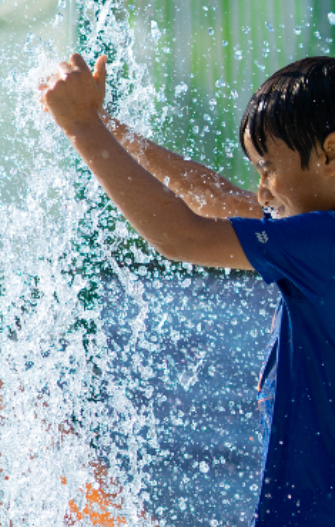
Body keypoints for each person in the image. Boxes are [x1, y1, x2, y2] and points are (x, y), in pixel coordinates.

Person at [42, 54, 335, 525]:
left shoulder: (322, 243)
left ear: (330, 153)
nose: (260, 192)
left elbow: (182, 235)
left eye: (266, 169)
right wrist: (110, 128)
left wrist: (82, 128)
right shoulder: (314, 239)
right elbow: (218, 200)